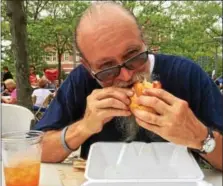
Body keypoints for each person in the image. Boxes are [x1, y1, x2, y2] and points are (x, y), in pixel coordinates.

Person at [34, 2, 223, 170]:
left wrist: (199, 136)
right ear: (88, 67)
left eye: (133, 56)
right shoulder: (80, 81)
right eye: (107, 69)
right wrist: (84, 127)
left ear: (144, 42)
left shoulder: (187, 74)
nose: (126, 75)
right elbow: (35, 150)